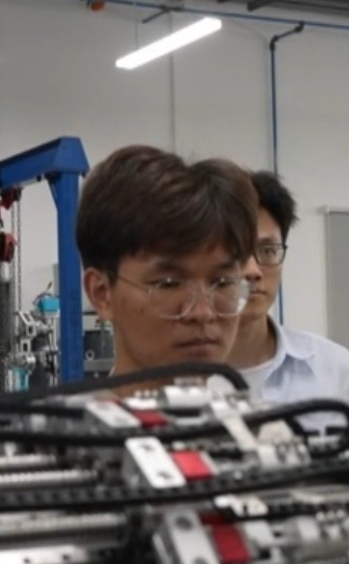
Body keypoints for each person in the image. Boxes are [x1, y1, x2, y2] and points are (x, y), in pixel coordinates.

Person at [77, 145, 257, 388]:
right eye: (169, 284)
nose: (203, 313)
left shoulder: (255, 412)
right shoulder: (67, 415)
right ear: (102, 293)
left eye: (223, 282)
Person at [226, 171, 349, 430]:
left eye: (267, 250)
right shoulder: (172, 377)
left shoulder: (336, 369)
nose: (253, 271)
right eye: (236, 251)